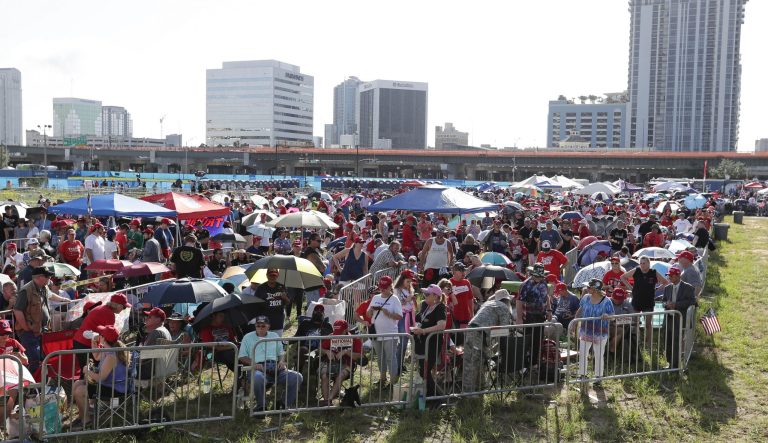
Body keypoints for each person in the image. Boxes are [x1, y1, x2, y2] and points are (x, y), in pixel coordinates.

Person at [238, 315, 303, 414]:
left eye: (263, 326)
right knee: (257, 377)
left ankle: (283, 404)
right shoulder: (247, 337)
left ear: (268, 326)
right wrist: (254, 363)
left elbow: (281, 353)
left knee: (297, 377)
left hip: (275, 367)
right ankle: (261, 406)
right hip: (258, 368)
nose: (260, 328)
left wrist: (281, 361)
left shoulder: (274, 336)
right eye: (258, 325)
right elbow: (242, 356)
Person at [71, 325, 130, 429]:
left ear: (103, 338)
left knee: (80, 390)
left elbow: (100, 378)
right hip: (109, 384)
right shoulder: (109, 349)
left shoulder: (111, 355)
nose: (98, 336)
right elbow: (97, 356)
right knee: (77, 383)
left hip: (114, 389)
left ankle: (86, 421)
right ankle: (83, 414)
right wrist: (93, 341)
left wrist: (87, 371)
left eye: (100, 335)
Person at [14, 267, 67, 373]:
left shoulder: (43, 287)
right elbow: (17, 310)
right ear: (39, 277)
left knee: (41, 358)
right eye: (47, 276)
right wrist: (26, 327)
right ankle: (32, 385)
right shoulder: (26, 290)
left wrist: (64, 299)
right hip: (29, 332)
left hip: (41, 330)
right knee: (34, 359)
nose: (50, 278)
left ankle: (39, 383)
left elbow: (51, 295)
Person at [463, 289, 513, 392]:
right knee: (474, 363)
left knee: (475, 362)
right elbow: (504, 329)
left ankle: (477, 388)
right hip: (480, 334)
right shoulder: (503, 307)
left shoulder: (488, 303)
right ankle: (470, 393)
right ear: (507, 300)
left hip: (471, 330)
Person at [73, 293, 131, 376]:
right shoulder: (109, 314)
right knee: (90, 373)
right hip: (85, 343)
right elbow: (109, 336)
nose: (124, 309)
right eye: (124, 307)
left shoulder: (102, 308)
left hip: (80, 341)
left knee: (86, 372)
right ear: (118, 306)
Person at [621, 256, 669, 348]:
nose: (642, 265)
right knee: (635, 322)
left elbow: (665, 282)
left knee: (648, 324)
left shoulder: (653, 272)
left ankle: (648, 344)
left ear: (648, 263)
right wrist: (631, 288)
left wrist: (657, 289)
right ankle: (636, 342)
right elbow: (623, 277)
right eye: (641, 263)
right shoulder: (636, 270)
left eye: (644, 263)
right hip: (637, 300)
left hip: (648, 301)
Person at [574, 279, 615, 387]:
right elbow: (580, 309)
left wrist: (607, 316)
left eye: (589, 287)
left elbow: (612, 316)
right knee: (583, 353)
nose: (587, 289)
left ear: (595, 290)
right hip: (585, 330)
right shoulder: (586, 297)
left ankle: (598, 377)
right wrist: (574, 322)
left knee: (598, 354)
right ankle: (582, 374)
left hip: (600, 332)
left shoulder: (607, 301)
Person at [410, 284, 447, 396]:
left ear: (435, 296)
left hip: (432, 343)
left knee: (424, 371)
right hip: (421, 343)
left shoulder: (440, 308)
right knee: (423, 370)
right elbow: (417, 319)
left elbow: (442, 326)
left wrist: (423, 331)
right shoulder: (425, 306)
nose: (424, 295)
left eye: (427, 294)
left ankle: (438, 396)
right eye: (424, 293)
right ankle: (430, 395)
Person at [366, 276, 402, 385]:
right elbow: (368, 314)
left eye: (385, 288)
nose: (382, 290)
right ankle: (382, 378)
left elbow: (400, 316)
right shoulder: (376, 298)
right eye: (381, 287)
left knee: (391, 357)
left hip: (390, 333)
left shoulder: (394, 299)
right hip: (376, 332)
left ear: (391, 286)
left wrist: (389, 314)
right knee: (380, 357)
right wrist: (371, 310)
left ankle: (393, 381)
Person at [319, 320, 363, 406]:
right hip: (329, 363)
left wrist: (346, 352)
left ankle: (328, 401)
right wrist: (327, 351)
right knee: (324, 376)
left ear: (346, 330)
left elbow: (359, 356)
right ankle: (327, 402)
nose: (337, 335)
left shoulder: (355, 339)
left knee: (341, 375)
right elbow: (320, 349)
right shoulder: (331, 336)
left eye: (340, 332)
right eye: (336, 332)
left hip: (347, 364)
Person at [660, 266, 696, 369]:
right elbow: (663, 300)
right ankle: (669, 362)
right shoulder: (668, 288)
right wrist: (666, 304)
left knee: (676, 343)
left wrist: (676, 305)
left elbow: (692, 301)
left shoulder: (688, 287)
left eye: (671, 276)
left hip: (680, 319)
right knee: (667, 341)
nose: (669, 278)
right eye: (669, 276)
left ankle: (675, 366)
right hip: (669, 319)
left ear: (677, 276)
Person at [516, 263, 552, 365]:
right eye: (536, 276)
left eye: (540, 276)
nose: (538, 278)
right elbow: (519, 301)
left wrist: (549, 310)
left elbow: (547, 297)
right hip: (529, 316)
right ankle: (525, 364)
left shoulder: (544, 282)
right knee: (528, 341)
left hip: (541, 316)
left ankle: (534, 363)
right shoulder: (526, 285)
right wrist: (519, 318)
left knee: (538, 340)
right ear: (532, 274)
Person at [291, 304, 333, 372]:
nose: (319, 312)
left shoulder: (327, 326)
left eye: (321, 311)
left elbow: (332, 340)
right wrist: (287, 341)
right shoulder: (305, 323)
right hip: (306, 349)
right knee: (303, 349)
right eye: (316, 310)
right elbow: (297, 336)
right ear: (313, 312)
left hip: (320, 350)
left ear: (324, 314)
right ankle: (298, 373)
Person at [0, 319, 27, 421]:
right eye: (2, 333)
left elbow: (25, 361)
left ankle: (5, 423)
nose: (5, 336)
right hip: (1, 376)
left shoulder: (13, 343)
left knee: (12, 392)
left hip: (11, 376)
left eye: (7, 333)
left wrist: (18, 356)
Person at [254, 269, 290, 336]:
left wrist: (285, 298)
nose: (272, 277)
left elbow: (288, 302)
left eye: (274, 275)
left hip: (278, 322)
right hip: (264, 323)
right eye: (270, 275)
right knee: (265, 344)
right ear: (267, 275)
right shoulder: (260, 288)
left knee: (277, 343)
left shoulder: (282, 287)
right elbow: (255, 304)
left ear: (277, 276)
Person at [138, 307, 172, 379]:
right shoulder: (165, 330)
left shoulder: (156, 332)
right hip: (162, 368)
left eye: (149, 317)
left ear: (158, 320)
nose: (146, 319)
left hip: (149, 371)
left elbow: (143, 357)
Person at [608, 288, 635, 354]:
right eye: (616, 298)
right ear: (612, 296)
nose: (617, 301)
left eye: (620, 299)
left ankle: (611, 351)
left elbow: (634, 317)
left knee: (620, 331)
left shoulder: (627, 304)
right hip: (606, 326)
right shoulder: (606, 302)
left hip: (622, 326)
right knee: (620, 331)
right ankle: (611, 351)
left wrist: (620, 322)